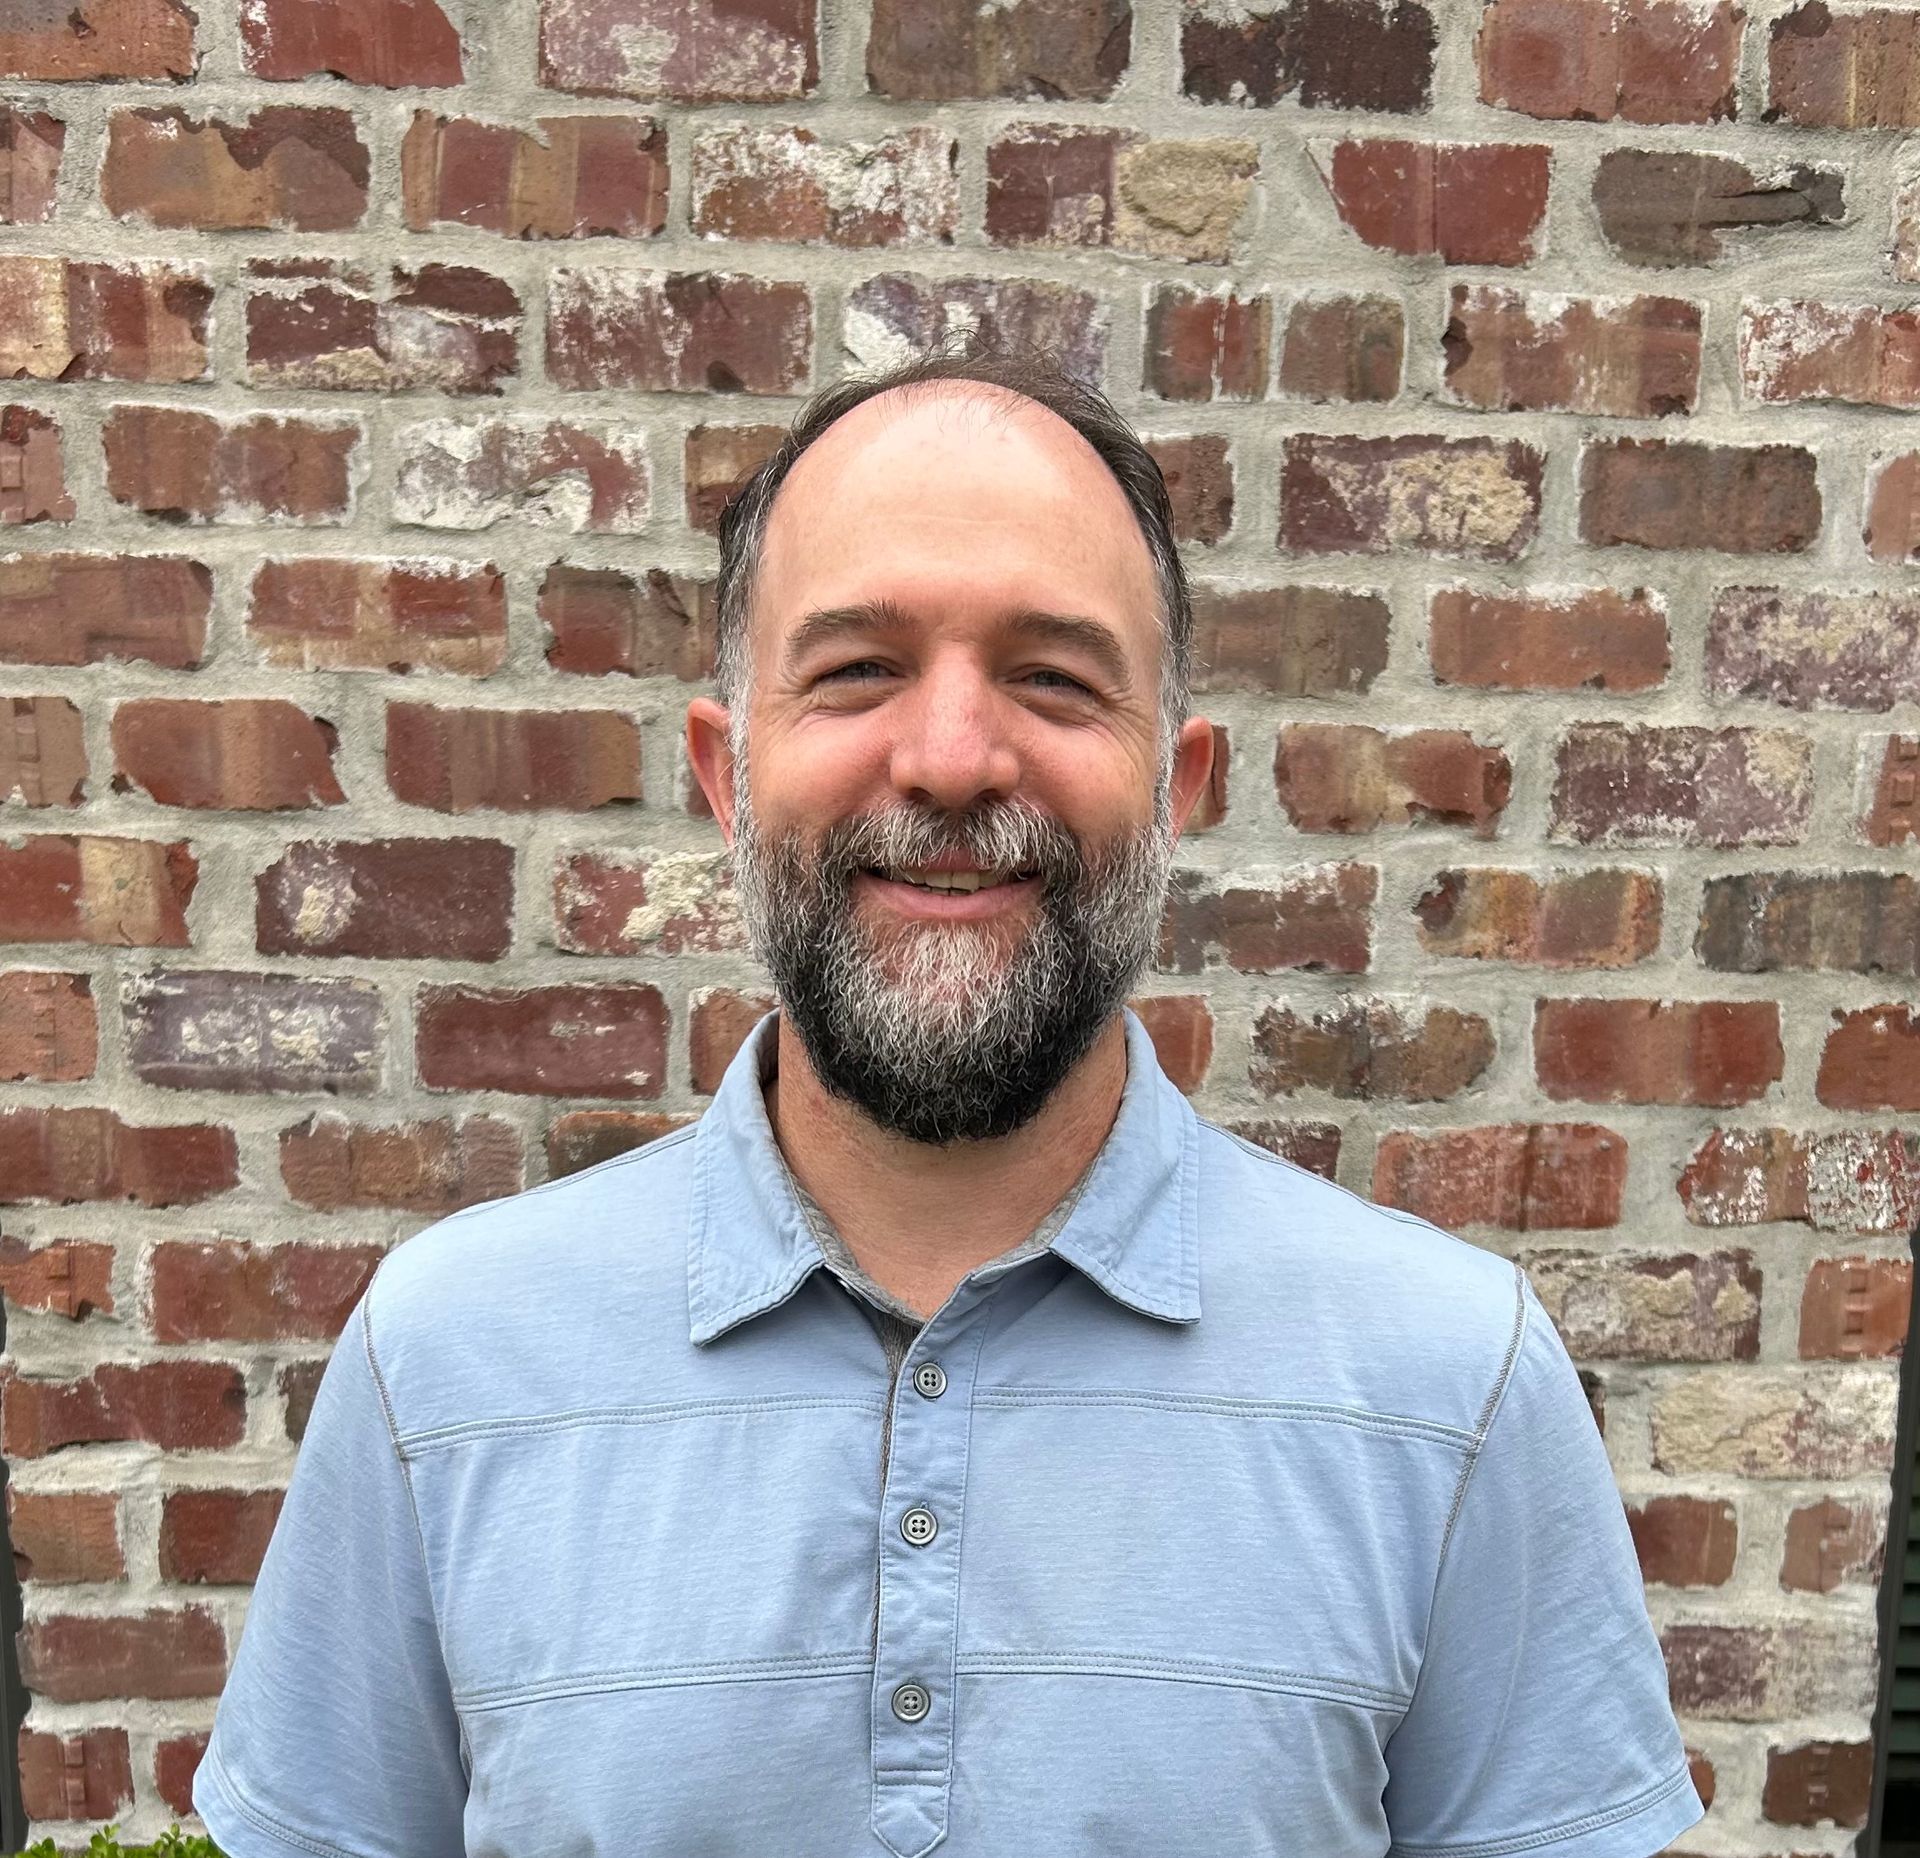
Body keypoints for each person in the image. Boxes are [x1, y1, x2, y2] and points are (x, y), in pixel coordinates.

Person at [192, 343, 1705, 1858]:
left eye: (1052, 676)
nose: (953, 757)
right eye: (857, 669)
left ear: (1176, 786)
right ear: (727, 775)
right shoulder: (443, 1362)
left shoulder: (1452, 1380)